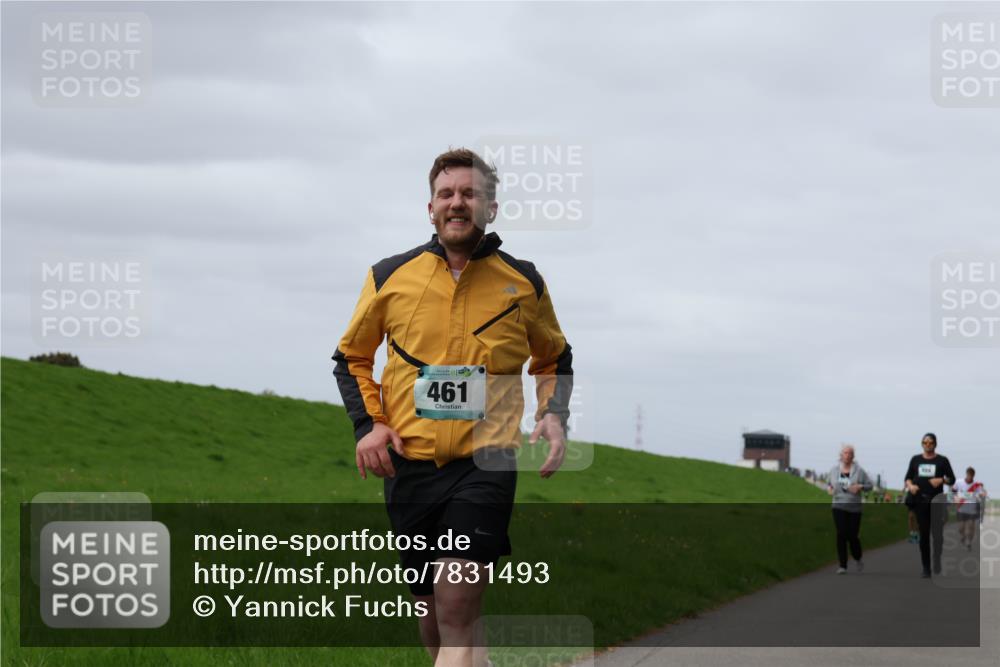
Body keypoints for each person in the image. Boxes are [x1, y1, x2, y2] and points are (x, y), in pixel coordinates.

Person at [332, 148, 573, 667]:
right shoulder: (389, 276)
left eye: (470, 194)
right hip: (409, 466)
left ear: (491, 208)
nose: (457, 203)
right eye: (447, 194)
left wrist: (553, 414)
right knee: (433, 615)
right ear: (431, 207)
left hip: (485, 463)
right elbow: (351, 358)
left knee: (458, 602)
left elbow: (553, 355)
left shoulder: (523, 281)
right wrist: (369, 425)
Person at [903, 433, 956, 578]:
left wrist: (941, 480)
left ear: (935, 444)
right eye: (925, 442)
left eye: (930, 443)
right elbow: (907, 477)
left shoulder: (942, 460)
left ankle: (937, 559)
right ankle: (926, 567)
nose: (927, 445)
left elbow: (952, 479)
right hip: (920, 501)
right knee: (924, 535)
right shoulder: (915, 459)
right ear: (922, 444)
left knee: (937, 535)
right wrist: (911, 486)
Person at [826, 445, 874, 574]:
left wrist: (861, 486)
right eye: (845, 453)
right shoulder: (834, 471)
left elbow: (870, 486)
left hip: (854, 508)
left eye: (849, 453)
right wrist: (829, 489)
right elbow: (829, 483)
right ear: (840, 455)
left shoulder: (859, 471)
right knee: (841, 533)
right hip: (838, 505)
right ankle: (843, 565)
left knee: (852, 536)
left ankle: (857, 557)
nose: (847, 455)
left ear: (853, 456)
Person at [952, 466, 987, 551]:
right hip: (961, 508)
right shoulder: (958, 482)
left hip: (972, 508)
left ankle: (969, 542)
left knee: (971, 527)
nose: (970, 478)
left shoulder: (976, 485)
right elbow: (953, 491)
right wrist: (954, 498)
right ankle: (963, 537)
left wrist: (982, 494)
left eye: (971, 476)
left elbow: (983, 492)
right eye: (969, 476)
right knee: (961, 528)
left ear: (973, 476)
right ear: (966, 474)